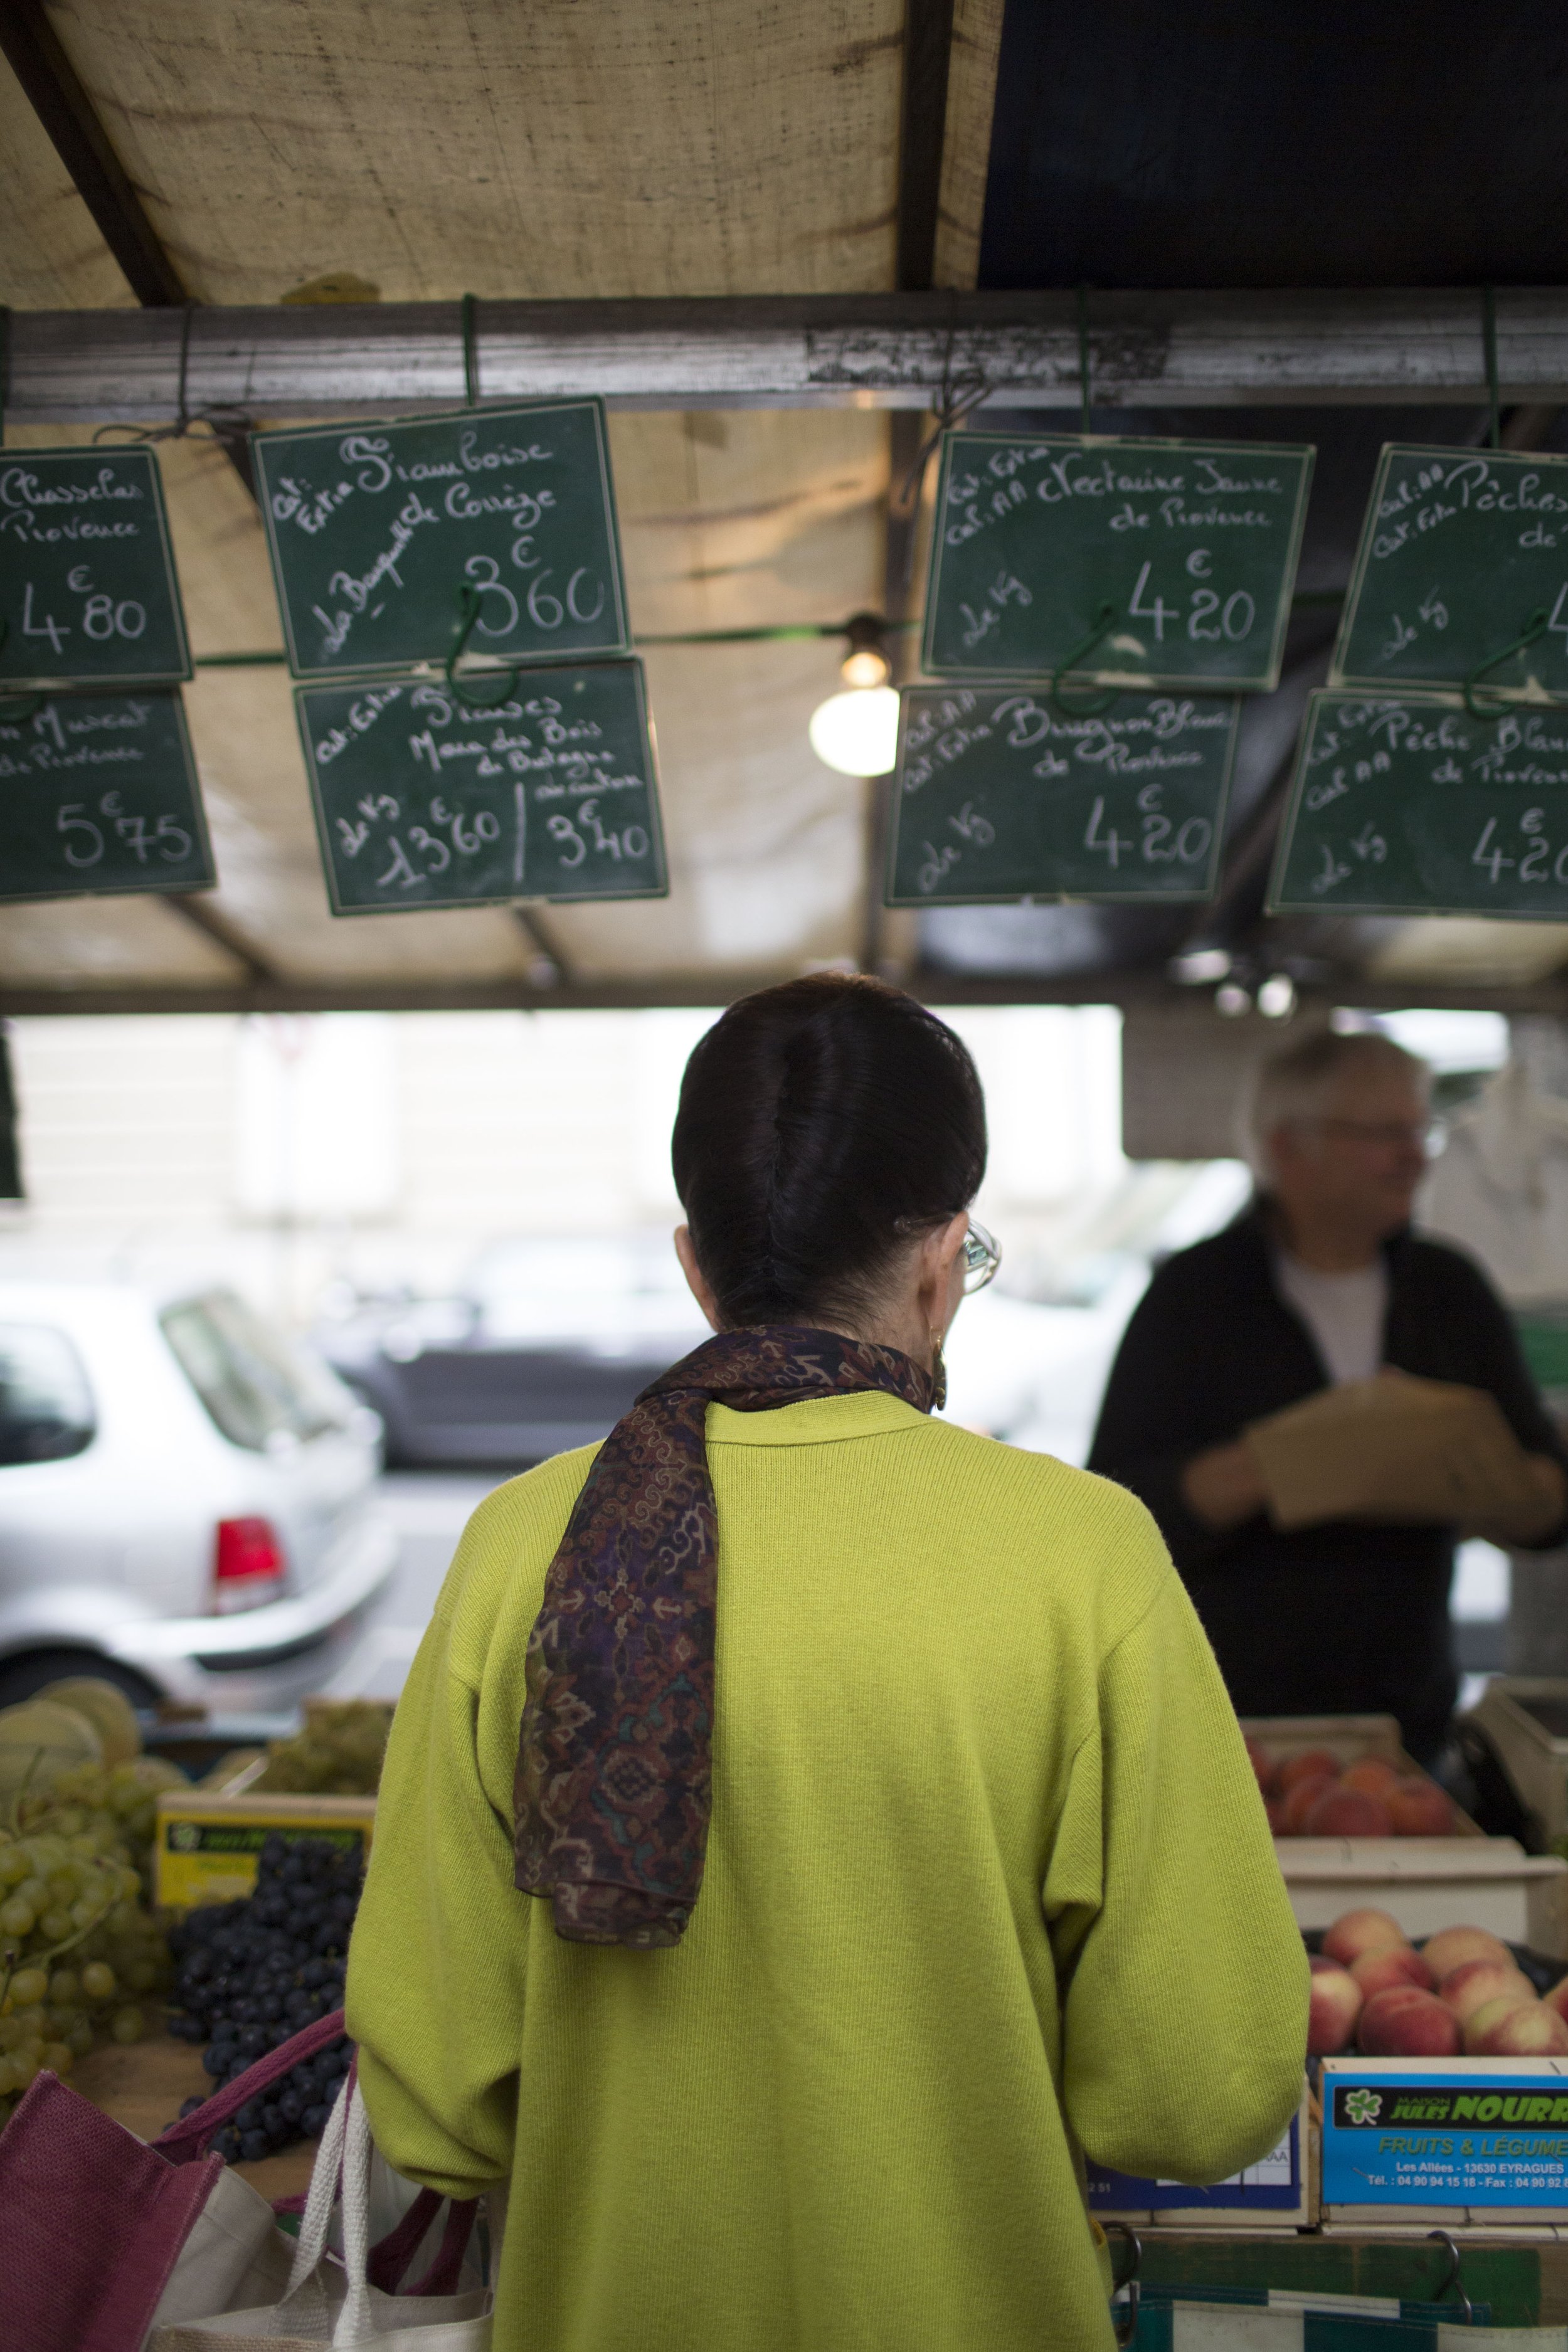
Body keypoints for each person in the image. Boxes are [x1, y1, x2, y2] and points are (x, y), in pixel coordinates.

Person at [347, 973, 1306, 2352]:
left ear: (696, 1263)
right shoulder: (1079, 1555)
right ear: (940, 1257)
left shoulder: (519, 1550)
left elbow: (441, 2098)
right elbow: (1196, 2091)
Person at [1089, 1027, 1568, 1767]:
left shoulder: (1448, 1291)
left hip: (1407, 1726)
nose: (1414, 1156)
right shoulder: (1196, 1294)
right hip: (1226, 1730)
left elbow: (1548, 1502)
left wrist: (1481, 1479)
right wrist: (1284, 1463)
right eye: (1381, 1133)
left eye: (1420, 1129)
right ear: (1287, 1147)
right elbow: (1117, 1510)